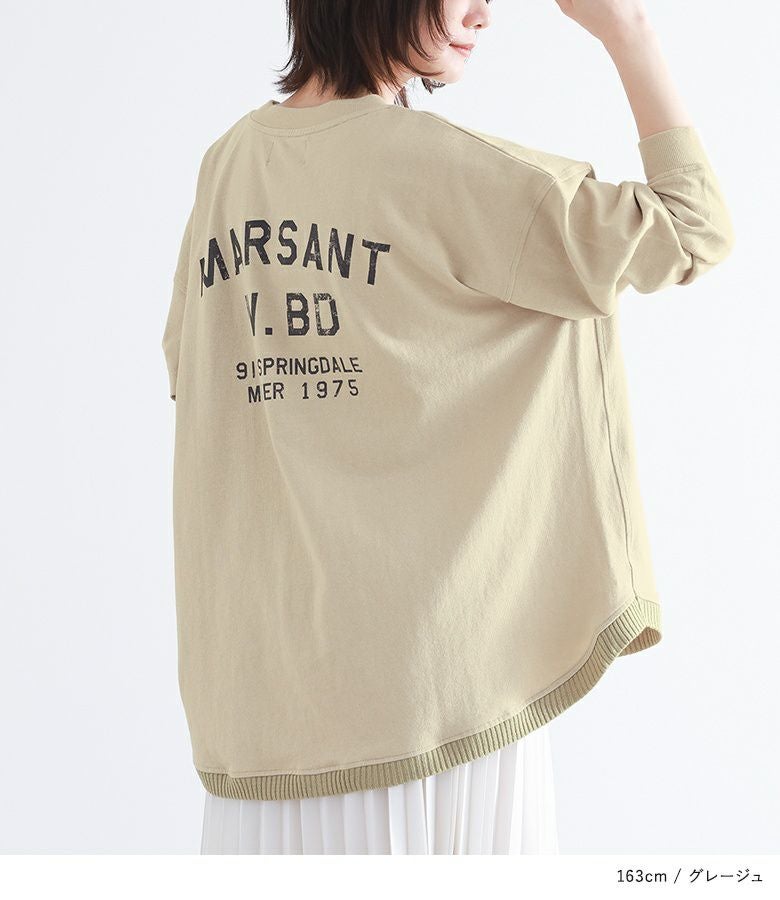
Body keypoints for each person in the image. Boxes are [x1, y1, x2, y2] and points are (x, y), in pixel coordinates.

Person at [162, 0, 734, 855]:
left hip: (260, 718)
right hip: (433, 716)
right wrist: (629, 30)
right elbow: (692, 226)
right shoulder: (444, 169)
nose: (482, 13)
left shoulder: (229, 166)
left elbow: (193, 372)